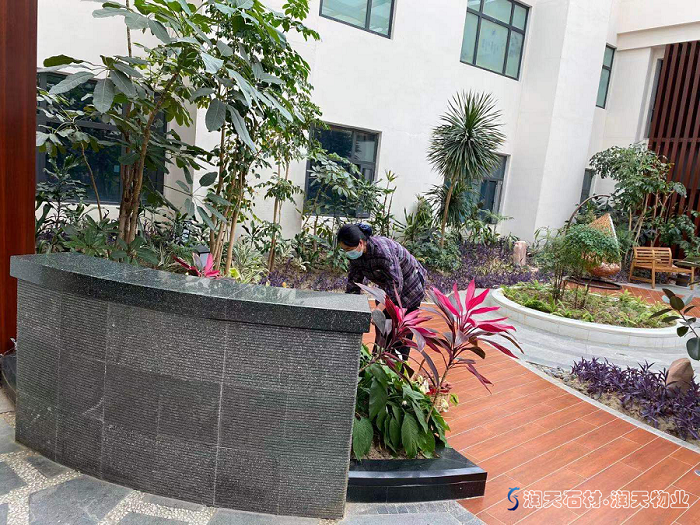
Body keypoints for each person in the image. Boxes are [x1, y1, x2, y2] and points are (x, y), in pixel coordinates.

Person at [337, 223, 427, 361]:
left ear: (360, 243)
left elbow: (395, 284)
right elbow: (354, 281)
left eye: (348, 249)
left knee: (400, 335)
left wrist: (379, 309)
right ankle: (377, 364)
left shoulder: (382, 252)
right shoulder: (356, 255)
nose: (348, 253)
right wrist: (349, 308)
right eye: (344, 250)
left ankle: (397, 368)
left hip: (410, 289)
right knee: (383, 332)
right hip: (387, 289)